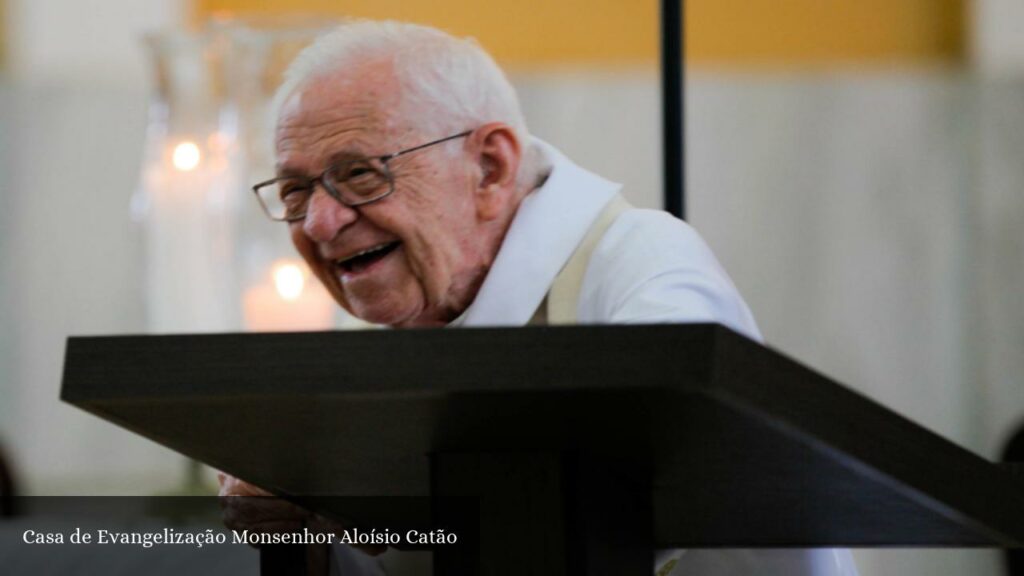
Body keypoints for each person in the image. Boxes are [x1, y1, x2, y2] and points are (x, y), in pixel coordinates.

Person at [222, 19, 859, 576]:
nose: (318, 225)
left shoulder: (638, 263)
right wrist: (305, 529)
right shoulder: (401, 333)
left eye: (359, 174)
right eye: (295, 192)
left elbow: (665, 464)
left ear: (490, 168)